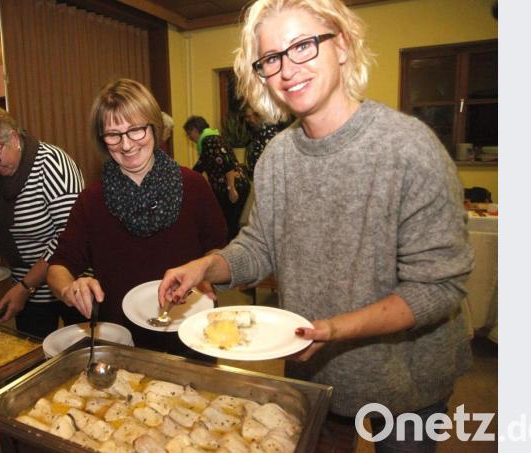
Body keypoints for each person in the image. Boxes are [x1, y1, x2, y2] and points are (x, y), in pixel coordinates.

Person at [159, 1, 474, 451]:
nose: (288, 69)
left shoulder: (407, 148)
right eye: (272, 58)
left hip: (407, 380)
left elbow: (440, 286)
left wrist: (337, 329)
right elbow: (259, 245)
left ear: (342, 46)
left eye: (303, 46)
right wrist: (206, 267)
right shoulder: (277, 158)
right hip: (313, 371)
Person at [47, 78, 228, 356]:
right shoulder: (92, 200)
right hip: (123, 346)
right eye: (113, 134)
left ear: (154, 128)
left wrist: (205, 272)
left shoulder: (194, 186)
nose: (127, 144)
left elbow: (218, 249)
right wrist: (71, 288)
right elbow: (58, 267)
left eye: (136, 130)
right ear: (101, 139)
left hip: (191, 335)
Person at [0, 102, 87, 338]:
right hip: (27, 287)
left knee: (79, 355)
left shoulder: (53, 166)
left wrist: (26, 287)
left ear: (14, 138)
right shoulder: (1, 173)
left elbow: (67, 238)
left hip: (70, 284)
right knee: (35, 358)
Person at [183, 115, 250, 240]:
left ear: (195, 130)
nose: (189, 137)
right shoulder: (212, 139)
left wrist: (231, 188)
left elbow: (227, 163)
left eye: (189, 133)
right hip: (235, 186)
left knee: (229, 226)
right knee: (229, 225)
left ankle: (231, 256)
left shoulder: (210, 141)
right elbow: (200, 167)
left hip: (232, 188)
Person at [244, 105, 287, 179]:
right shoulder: (259, 132)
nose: (247, 120)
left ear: (258, 115)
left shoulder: (269, 133)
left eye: (248, 116)